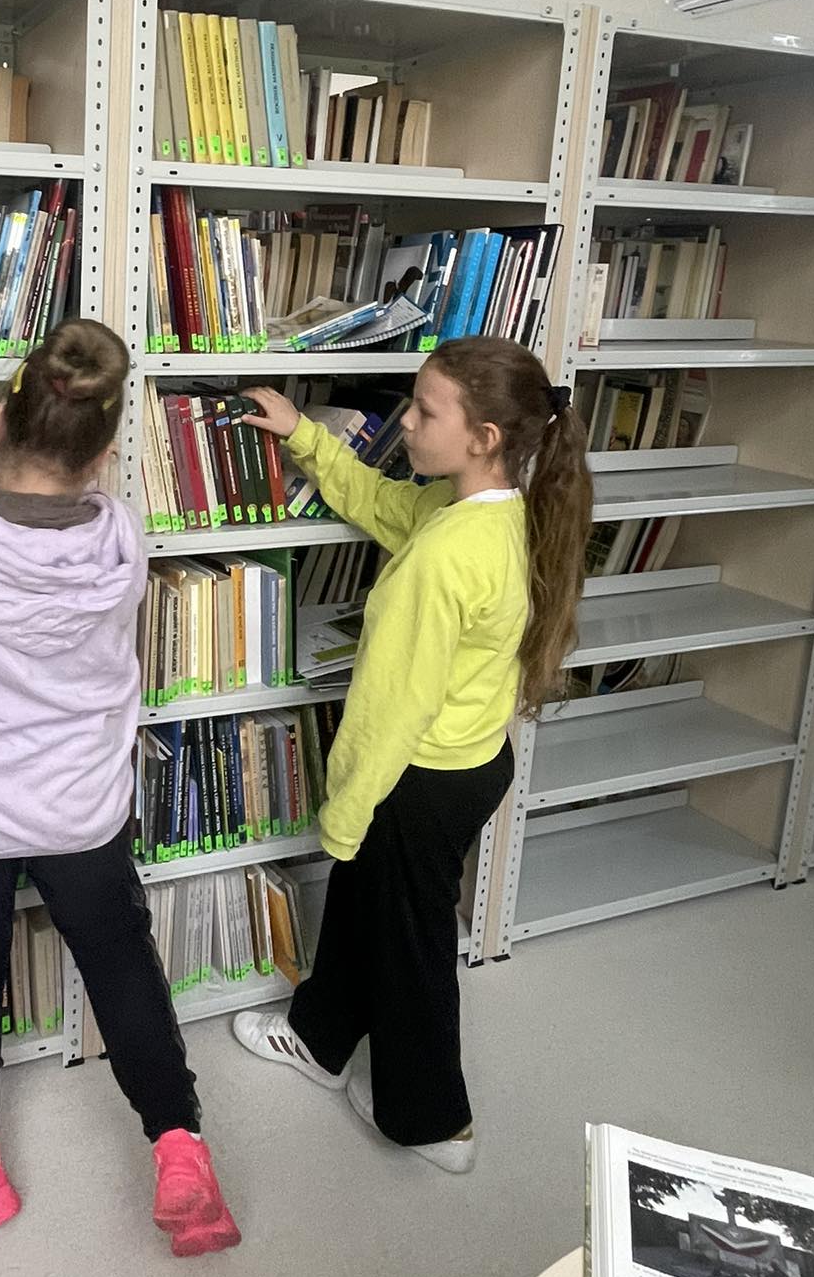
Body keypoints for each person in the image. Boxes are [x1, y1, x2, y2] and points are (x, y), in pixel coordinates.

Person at [0, 317, 240, 1255]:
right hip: (78, 804)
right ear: (103, 455)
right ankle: (180, 1148)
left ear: (3, 423)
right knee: (121, 964)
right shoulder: (121, 541)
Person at [231, 337, 592, 1173]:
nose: (406, 423)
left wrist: (345, 814)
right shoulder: (494, 511)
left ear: (484, 438)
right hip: (471, 763)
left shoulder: (443, 557)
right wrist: (305, 437)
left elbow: (389, 710)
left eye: (426, 413)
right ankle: (320, 1038)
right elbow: (388, 504)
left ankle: (434, 1122)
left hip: (419, 778)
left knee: (413, 948)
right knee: (371, 907)